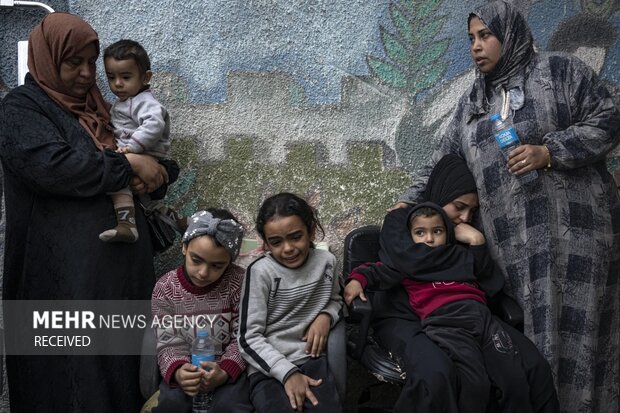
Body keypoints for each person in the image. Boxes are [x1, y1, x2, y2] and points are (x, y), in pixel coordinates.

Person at [396, 2, 620, 412]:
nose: (477, 47)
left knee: (581, 336)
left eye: (486, 35)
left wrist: (548, 151)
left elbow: (609, 119)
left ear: (510, 34)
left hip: (577, 239)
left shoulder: (560, 73)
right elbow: (443, 160)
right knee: (525, 340)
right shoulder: (472, 103)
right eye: (471, 39)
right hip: (510, 249)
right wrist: (408, 201)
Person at [0, 12, 170, 412]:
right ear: (46, 59)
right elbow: (55, 166)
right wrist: (129, 167)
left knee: (118, 377)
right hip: (60, 279)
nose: (84, 73)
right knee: (68, 378)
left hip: (119, 277)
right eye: (72, 62)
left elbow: (150, 156)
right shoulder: (22, 110)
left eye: (90, 62)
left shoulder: (101, 106)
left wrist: (157, 175)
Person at [345, 201, 537, 412]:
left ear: (448, 232)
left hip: (482, 319)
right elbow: (377, 271)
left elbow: (483, 273)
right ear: (411, 236)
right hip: (447, 323)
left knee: (514, 376)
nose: (429, 239)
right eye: (420, 233)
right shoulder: (410, 264)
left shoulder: (459, 255)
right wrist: (357, 280)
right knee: (474, 382)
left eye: (437, 231)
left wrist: (477, 242)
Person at [238, 192, 343, 413]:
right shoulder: (260, 272)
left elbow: (336, 300)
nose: (287, 248)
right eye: (276, 242)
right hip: (268, 368)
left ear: (311, 231)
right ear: (266, 243)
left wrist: (326, 316)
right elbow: (248, 338)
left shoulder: (328, 263)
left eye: (296, 236)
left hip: (312, 361)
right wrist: (288, 373)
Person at [151, 208, 253, 413]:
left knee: (230, 406)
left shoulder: (239, 283)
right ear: (184, 248)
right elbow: (167, 340)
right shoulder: (165, 288)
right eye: (196, 260)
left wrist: (224, 370)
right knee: (172, 405)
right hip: (186, 370)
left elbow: (244, 335)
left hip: (228, 371)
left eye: (217, 265)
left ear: (230, 261)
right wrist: (179, 370)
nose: (204, 272)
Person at [99, 39, 172, 243]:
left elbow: (154, 125)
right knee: (146, 198)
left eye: (125, 77)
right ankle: (173, 217)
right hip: (138, 153)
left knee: (118, 183)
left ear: (146, 77)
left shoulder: (144, 102)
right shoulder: (125, 102)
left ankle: (127, 225)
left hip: (143, 152)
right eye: (111, 77)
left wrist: (131, 149)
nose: (117, 84)